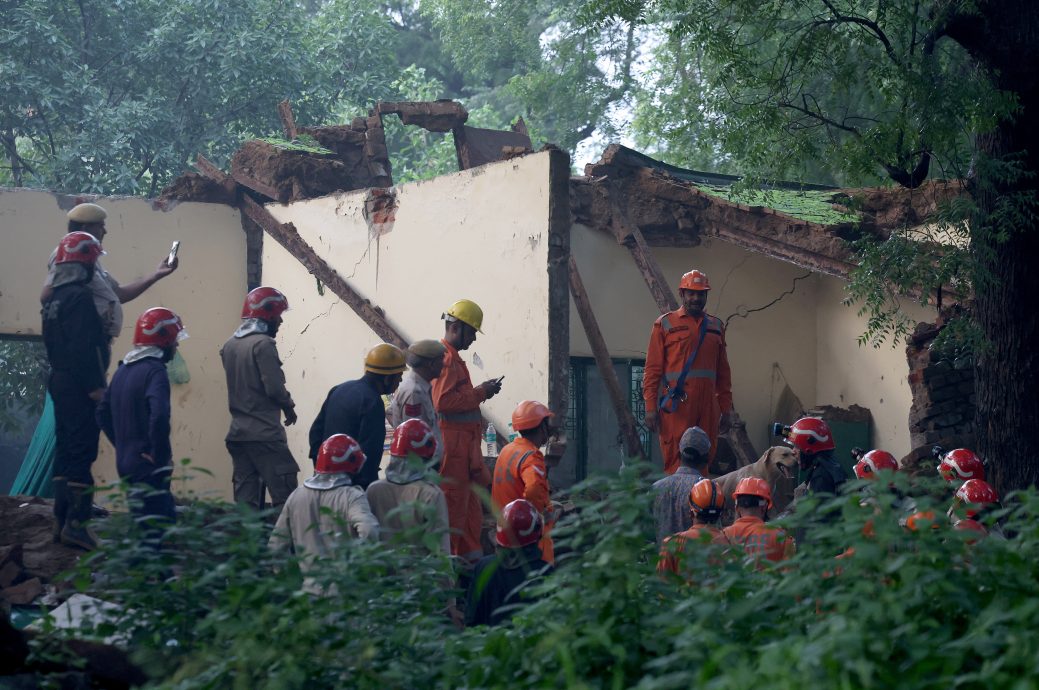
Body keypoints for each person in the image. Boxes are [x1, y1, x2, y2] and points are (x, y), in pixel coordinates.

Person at [97, 308, 187, 548]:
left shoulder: (122, 371)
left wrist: (124, 446)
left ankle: (147, 578)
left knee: (143, 527)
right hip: (148, 466)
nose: (176, 347)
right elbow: (159, 416)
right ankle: (158, 582)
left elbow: (101, 413)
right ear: (164, 339)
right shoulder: (155, 371)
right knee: (159, 532)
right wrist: (157, 455)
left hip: (126, 462)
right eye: (174, 341)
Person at [41, 232, 109, 550]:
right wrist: (95, 386)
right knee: (82, 452)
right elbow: (84, 347)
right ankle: (76, 527)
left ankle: (59, 520)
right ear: (85, 263)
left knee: (66, 450)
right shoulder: (80, 297)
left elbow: (55, 345)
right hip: (80, 385)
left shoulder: (54, 297)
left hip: (59, 380)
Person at [41, 202, 179, 346]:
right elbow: (47, 296)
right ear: (85, 228)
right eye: (100, 226)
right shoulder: (65, 255)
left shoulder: (91, 262)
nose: (105, 231)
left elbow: (119, 294)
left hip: (97, 339)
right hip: (83, 340)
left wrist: (157, 274)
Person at [642, 270, 733, 474]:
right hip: (678, 405)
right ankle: (676, 500)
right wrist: (650, 408)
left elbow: (723, 373)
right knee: (676, 458)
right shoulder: (665, 323)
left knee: (705, 456)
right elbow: (652, 370)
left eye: (700, 294)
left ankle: (699, 502)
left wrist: (726, 408)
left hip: (708, 406)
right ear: (682, 294)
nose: (696, 298)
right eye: (691, 293)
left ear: (706, 296)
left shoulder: (716, 326)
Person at [432, 299, 501, 562]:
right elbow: (444, 402)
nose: (473, 339)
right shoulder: (447, 360)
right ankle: (452, 583)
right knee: (452, 516)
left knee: (469, 517)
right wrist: (482, 392)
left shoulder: (454, 360)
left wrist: (481, 392)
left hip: (465, 454)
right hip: (454, 454)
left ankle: (472, 572)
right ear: (457, 327)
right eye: (471, 332)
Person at [220, 287, 299, 515]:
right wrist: (288, 406)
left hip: (238, 434)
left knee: (246, 502)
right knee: (285, 497)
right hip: (265, 434)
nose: (281, 321)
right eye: (278, 315)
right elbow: (273, 388)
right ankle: (283, 549)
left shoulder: (230, 345)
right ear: (267, 315)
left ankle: (249, 547)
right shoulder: (263, 344)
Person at [269, 434, 379, 595]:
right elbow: (369, 531)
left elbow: (276, 546)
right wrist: (360, 569)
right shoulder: (352, 496)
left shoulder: (297, 496)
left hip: (308, 592)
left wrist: (288, 581)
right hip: (346, 592)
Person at [309, 343, 406, 490]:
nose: (400, 381)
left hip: (324, 477)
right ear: (387, 379)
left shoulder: (339, 389)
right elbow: (371, 452)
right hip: (351, 485)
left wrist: (320, 467)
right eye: (399, 376)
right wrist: (365, 486)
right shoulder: (373, 402)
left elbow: (316, 432)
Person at [366, 419, 450, 555]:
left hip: (381, 573)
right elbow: (441, 552)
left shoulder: (374, 490)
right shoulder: (431, 495)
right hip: (420, 574)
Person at [465, 499, 553, 627]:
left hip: (487, 644)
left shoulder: (483, 567)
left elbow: (471, 618)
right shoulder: (544, 572)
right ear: (537, 533)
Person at [492, 401, 558, 563]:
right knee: (541, 577)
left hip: (505, 529)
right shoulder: (531, 455)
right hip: (528, 534)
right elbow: (534, 490)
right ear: (541, 427)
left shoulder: (508, 450)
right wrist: (538, 517)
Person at [388, 339, 446, 469]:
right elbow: (415, 438)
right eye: (441, 360)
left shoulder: (420, 387)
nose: (444, 365)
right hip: (419, 467)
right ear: (431, 364)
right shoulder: (414, 392)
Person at [657, 478, 729, 577]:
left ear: (691, 512)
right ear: (721, 513)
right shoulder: (730, 544)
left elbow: (662, 586)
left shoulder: (672, 544)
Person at [651, 426, 711, 544]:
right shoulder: (709, 490)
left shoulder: (656, 488)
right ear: (705, 460)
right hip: (696, 561)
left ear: (678, 454)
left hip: (661, 560)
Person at [722, 477, 795, 563]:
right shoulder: (781, 537)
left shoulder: (723, 536)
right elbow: (791, 571)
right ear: (764, 507)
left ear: (737, 507)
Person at [784, 416, 847, 497]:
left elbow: (817, 509)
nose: (793, 451)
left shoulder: (821, 477)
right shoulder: (828, 466)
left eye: (797, 446)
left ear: (809, 448)